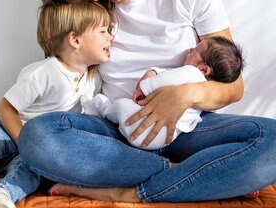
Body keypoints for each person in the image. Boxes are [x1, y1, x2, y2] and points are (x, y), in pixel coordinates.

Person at [18, 0, 276, 203]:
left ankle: (130, 191)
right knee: (37, 136)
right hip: (117, 135)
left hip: (188, 128)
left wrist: (182, 96)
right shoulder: (92, 7)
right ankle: (190, 174)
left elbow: (234, 86)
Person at [0, 0, 113, 208]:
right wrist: (22, 139)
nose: (111, 37)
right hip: (9, 129)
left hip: (37, 146)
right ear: (75, 40)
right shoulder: (45, 72)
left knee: (33, 171)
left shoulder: (93, 80)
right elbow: (6, 108)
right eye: (104, 31)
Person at [82, 36, 244, 150]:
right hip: (164, 139)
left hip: (142, 127)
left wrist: (146, 84)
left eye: (195, 50)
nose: (190, 49)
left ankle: (104, 109)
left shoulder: (191, 73)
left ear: (204, 69)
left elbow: (158, 83)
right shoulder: (204, 89)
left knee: (120, 107)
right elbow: (169, 77)